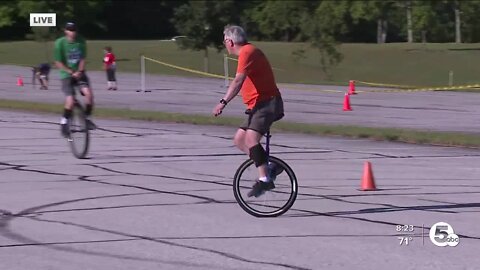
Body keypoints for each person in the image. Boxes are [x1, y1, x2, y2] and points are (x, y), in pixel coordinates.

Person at [212, 25, 284, 198]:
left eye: (224, 40)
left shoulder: (247, 52)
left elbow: (238, 81)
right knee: (239, 140)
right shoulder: (248, 52)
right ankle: (269, 166)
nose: (224, 43)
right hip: (256, 106)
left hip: (267, 103)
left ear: (229, 41)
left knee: (251, 139)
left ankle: (265, 179)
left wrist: (223, 102)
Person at [54, 22, 96, 138]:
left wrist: (80, 71)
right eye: (70, 30)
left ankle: (86, 118)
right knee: (71, 100)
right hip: (66, 74)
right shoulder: (60, 43)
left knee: (89, 95)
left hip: (79, 72)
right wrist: (70, 72)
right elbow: (58, 62)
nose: (73, 33)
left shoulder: (81, 41)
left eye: (74, 30)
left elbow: (82, 58)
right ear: (65, 31)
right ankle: (64, 122)